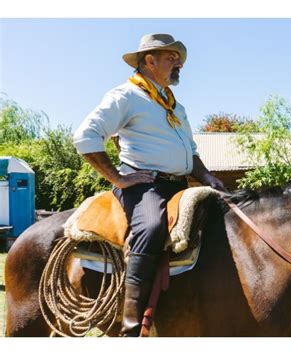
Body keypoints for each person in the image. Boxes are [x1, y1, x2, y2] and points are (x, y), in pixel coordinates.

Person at [73, 33, 226, 336]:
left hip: (181, 184)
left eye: (178, 58)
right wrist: (118, 178)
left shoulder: (175, 107)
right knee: (152, 228)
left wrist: (207, 176)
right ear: (149, 61)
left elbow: (190, 152)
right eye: (171, 57)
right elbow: (85, 137)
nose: (179, 63)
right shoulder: (125, 96)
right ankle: (131, 328)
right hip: (145, 186)